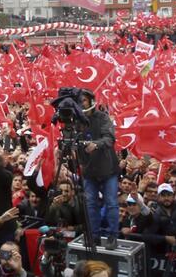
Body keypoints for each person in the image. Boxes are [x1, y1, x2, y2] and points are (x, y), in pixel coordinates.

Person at [66, 87, 120, 249]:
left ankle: (112, 236)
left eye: (84, 100)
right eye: (79, 101)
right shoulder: (75, 122)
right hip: (89, 171)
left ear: (91, 101)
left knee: (111, 203)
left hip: (108, 170)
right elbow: (69, 141)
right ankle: (94, 236)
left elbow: (109, 138)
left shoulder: (102, 117)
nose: (81, 104)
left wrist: (95, 145)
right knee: (90, 204)